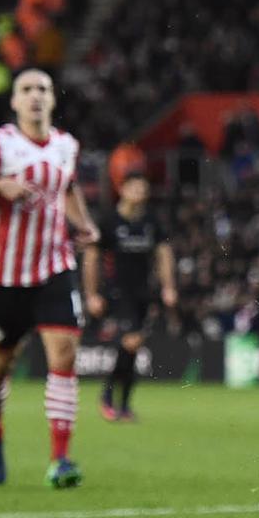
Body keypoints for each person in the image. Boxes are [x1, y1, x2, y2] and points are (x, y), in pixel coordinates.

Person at [0, 68, 100, 488]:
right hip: (7, 276)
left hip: (55, 267)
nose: (35, 96)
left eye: (43, 89)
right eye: (26, 89)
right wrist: (0, 185)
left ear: (52, 100)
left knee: (65, 354)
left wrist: (84, 224)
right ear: (15, 101)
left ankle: (60, 460)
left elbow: (67, 189)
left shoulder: (66, 146)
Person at [82, 169, 176, 422]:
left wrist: (168, 287)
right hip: (117, 292)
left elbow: (164, 253)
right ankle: (108, 396)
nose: (141, 193)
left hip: (144, 293)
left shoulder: (151, 222)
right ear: (122, 190)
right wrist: (91, 294)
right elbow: (92, 257)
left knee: (133, 349)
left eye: (144, 189)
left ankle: (123, 406)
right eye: (135, 188)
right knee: (131, 342)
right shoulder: (109, 221)